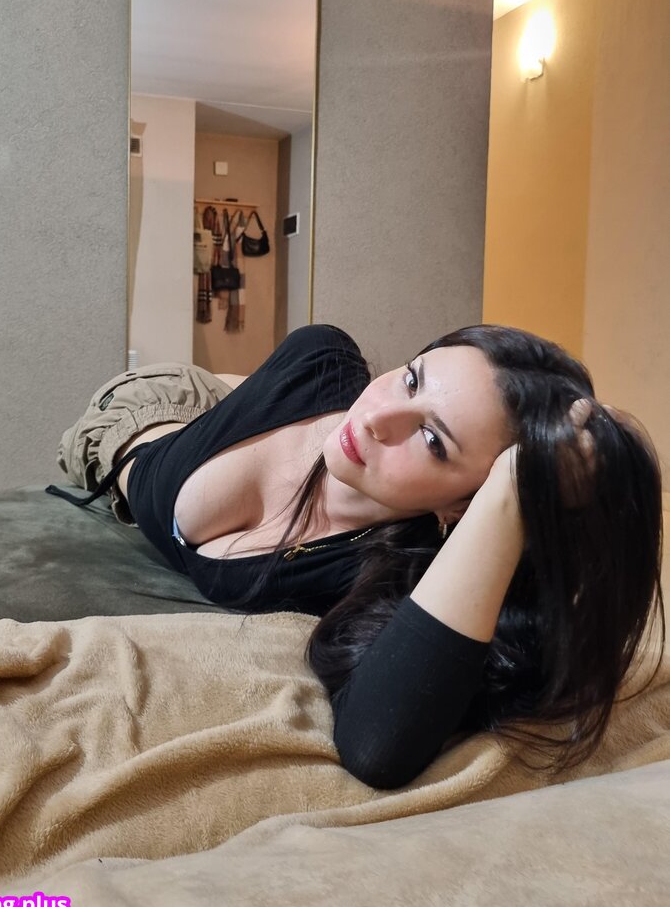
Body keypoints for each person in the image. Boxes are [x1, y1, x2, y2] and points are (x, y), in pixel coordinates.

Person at [47, 323, 665, 790]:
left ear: (462, 508)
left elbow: (377, 747)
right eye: (412, 378)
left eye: (431, 439)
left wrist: (513, 490)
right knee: (301, 359)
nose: (377, 419)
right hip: (147, 407)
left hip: (219, 417)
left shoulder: (398, 565)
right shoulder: (317, 361)